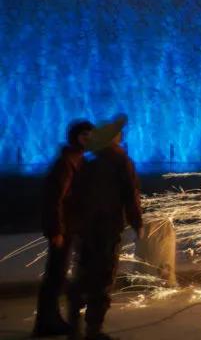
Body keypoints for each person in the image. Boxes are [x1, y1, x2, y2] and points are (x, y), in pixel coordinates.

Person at [67, 115, 141, 340]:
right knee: (103, 277)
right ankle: (93, 330)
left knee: (83, 274)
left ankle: (74, 325)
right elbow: (130, 195)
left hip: (86, 229)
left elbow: (76, 196)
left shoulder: (88, 162)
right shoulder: (121, 161)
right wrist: (137, 223)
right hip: (107, 228)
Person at [33, 120, 93, 337]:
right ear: (76, 137)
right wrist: (56, 230)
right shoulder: (67, 162)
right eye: (85, 135)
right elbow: (54, 199)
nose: (89, 139)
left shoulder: (77, 159)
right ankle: (44, 323)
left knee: (57, 275)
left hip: (69, 226)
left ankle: (51, 319)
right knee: (55, 275)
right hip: (63, 229)